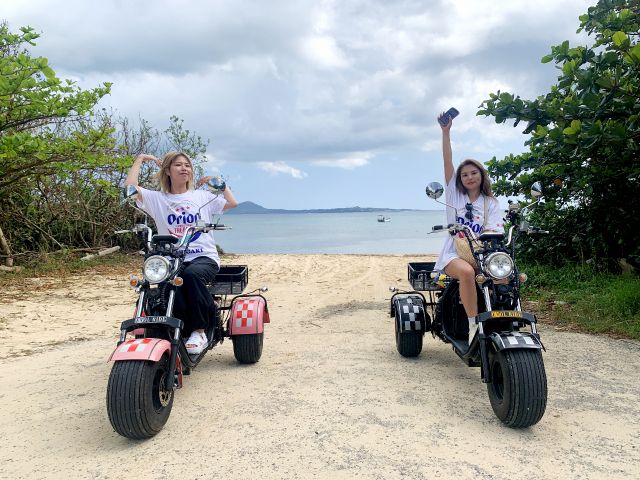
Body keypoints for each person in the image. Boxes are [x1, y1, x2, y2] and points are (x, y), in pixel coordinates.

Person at [125, 151, 238, 354]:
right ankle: (172, 327)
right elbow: (130, 189)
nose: (184, 168)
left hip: (203, 257)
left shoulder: (201, 196)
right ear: (167, 170)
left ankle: (199, 331)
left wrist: (222, 186)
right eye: (178, 165)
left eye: (187, 165)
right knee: (162, 285)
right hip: (171, 258)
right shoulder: (157, 198)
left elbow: (231, 204)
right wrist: (140, 160)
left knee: (190, 275)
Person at [433, 113, 504, 345]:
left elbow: (495, 229)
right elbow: (447, 162)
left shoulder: (490, 203)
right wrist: (446, 132)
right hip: (455, 253)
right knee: (466, 273)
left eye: (474, 172)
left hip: (482, 253)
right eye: (465, 174)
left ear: (481, 175)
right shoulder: (454, 196)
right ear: (459, 180)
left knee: (507, 275)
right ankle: (473, 324)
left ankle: (503, 321)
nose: (469, 177)